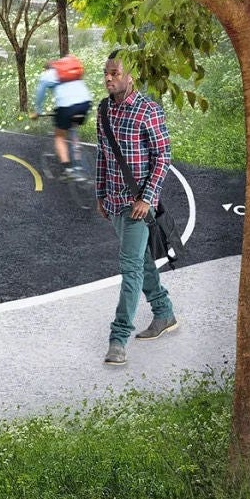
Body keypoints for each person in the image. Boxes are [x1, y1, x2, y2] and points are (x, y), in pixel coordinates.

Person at [94, 53, 177, 366]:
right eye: (106, 73)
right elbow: (102, 155)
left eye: (114, 73)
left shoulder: (147, 111)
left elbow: (162, 158)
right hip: (114, 204)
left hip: (138, 209)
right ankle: (164, 312)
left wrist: (148, 198)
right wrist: (100, 194)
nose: (108, 78)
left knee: (129, 269)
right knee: (141, 261)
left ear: (130, 76)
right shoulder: (104, 110)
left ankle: (118, 339)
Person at [32, 57, 93, 180]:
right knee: (73, 128)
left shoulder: (48, 74)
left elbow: (40, 94)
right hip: (85, 103)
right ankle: (78, 166)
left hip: (66, 106)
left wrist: (37, 111)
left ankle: (68, 169)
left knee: (59, 136)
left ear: (47, 67)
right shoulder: (71, 71)